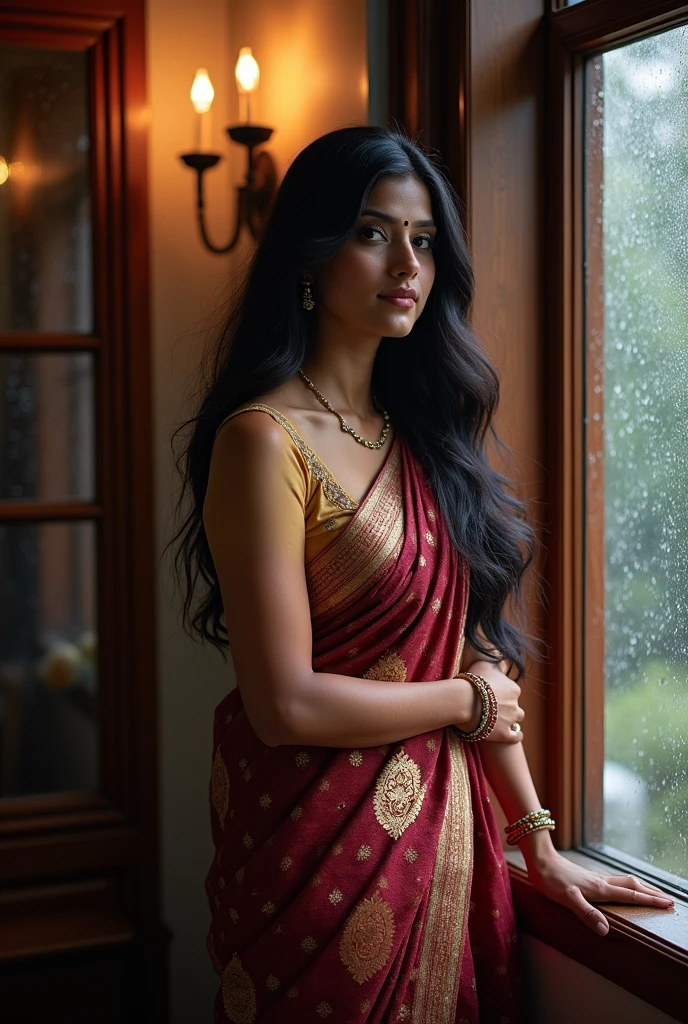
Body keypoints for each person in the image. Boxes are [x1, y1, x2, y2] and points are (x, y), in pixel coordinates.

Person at [172, 126, 674, 1023]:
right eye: (373, 233)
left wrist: (538, 842)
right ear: (310, 255)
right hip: (306, 847)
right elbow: (282, 703)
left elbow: (474, 654)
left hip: (442, 842)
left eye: (425, 239)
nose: (407, 261)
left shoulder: (424, 436)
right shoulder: (263, 441)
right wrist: (458, 703)